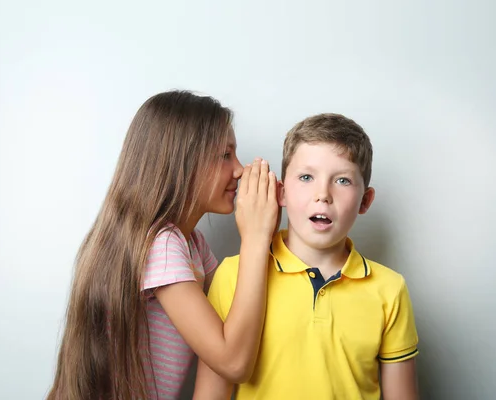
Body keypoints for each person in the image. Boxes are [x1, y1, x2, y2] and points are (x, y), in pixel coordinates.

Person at [47, 90, 278, 400]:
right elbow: (232, 361)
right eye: (225, 155)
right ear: (180, 163)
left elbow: (235, 306)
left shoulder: (190, 244)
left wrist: (273, 228)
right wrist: (255, 237)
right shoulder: (162, 245)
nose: (238, 169)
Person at [194, 113, 419, 400]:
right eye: (306, 177)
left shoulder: (390, 289)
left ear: (365, 200)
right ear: (281, 193)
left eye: (342, 180)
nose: (322, 194)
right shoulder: (232, 275)